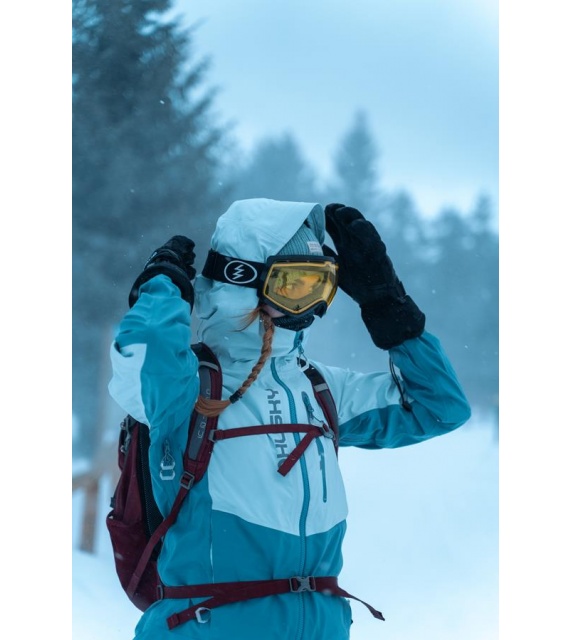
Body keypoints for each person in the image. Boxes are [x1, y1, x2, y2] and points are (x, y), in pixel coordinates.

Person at [109, 198, 471, 639]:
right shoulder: (186, 388)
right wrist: (161, 293)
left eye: (321, 286)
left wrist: (385, 302)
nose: (311, 307)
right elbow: (144, 357)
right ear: (242, 281)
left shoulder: (319, 388)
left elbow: (440, 407)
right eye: (294, 286)